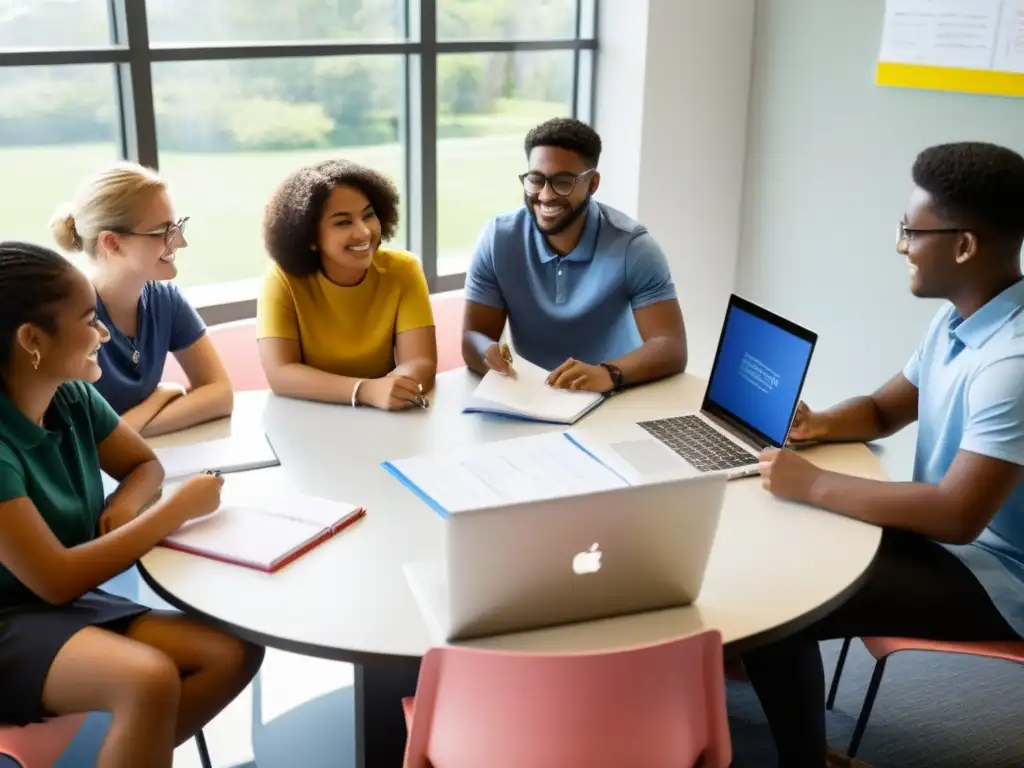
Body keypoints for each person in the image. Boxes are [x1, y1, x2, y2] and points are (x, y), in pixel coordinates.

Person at [746, 142, 1024, 768]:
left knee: (780, 605)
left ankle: (805, 760)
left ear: (964, 246)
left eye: (910, 231)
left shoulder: (1014, 361)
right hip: (949, 544)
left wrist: (814, 485)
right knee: (780, 548)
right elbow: (882, 410)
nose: (901, 244)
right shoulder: (958, 318)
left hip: (1002, 576)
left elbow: (958, 515)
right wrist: (815, 426)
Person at [0, 242, 264, 768]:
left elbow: (146, 467)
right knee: (147, 678)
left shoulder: (70, 394)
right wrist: (172, 512)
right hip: (10, 619)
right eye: (88, 321)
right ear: (32, 341)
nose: (103, 334)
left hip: (57, 609)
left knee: (232, 652)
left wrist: (125, 505)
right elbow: (54, 578)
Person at [461, 117, 687, 394]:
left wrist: (608, 373)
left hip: (614, 392)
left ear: (592, 184)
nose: (545, 195)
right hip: (530, 395)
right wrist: (487, 352)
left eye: (563, 182)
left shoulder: (634, 248)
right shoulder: (498, 239)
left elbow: (671, 345)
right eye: (536, 179)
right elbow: (473, 336)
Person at [50, 162, 233, 438]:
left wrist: (133, 427)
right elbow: (85, 439)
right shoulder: (67, 317)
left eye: (177, 227)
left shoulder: (165, 299)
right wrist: (161, 397)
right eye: (162, 232)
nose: (179, 243)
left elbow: (221, 394)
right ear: (112, 242)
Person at [257, 159, 436, 411]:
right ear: (309, 237)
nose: (363, 232)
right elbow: (281, 374)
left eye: (369, 215)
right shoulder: (281, 278)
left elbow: (420, 361)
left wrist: (394, 388)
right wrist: (365, 391)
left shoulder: (404, 270)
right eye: (343, 222)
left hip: (381, 416)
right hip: (306, 418)